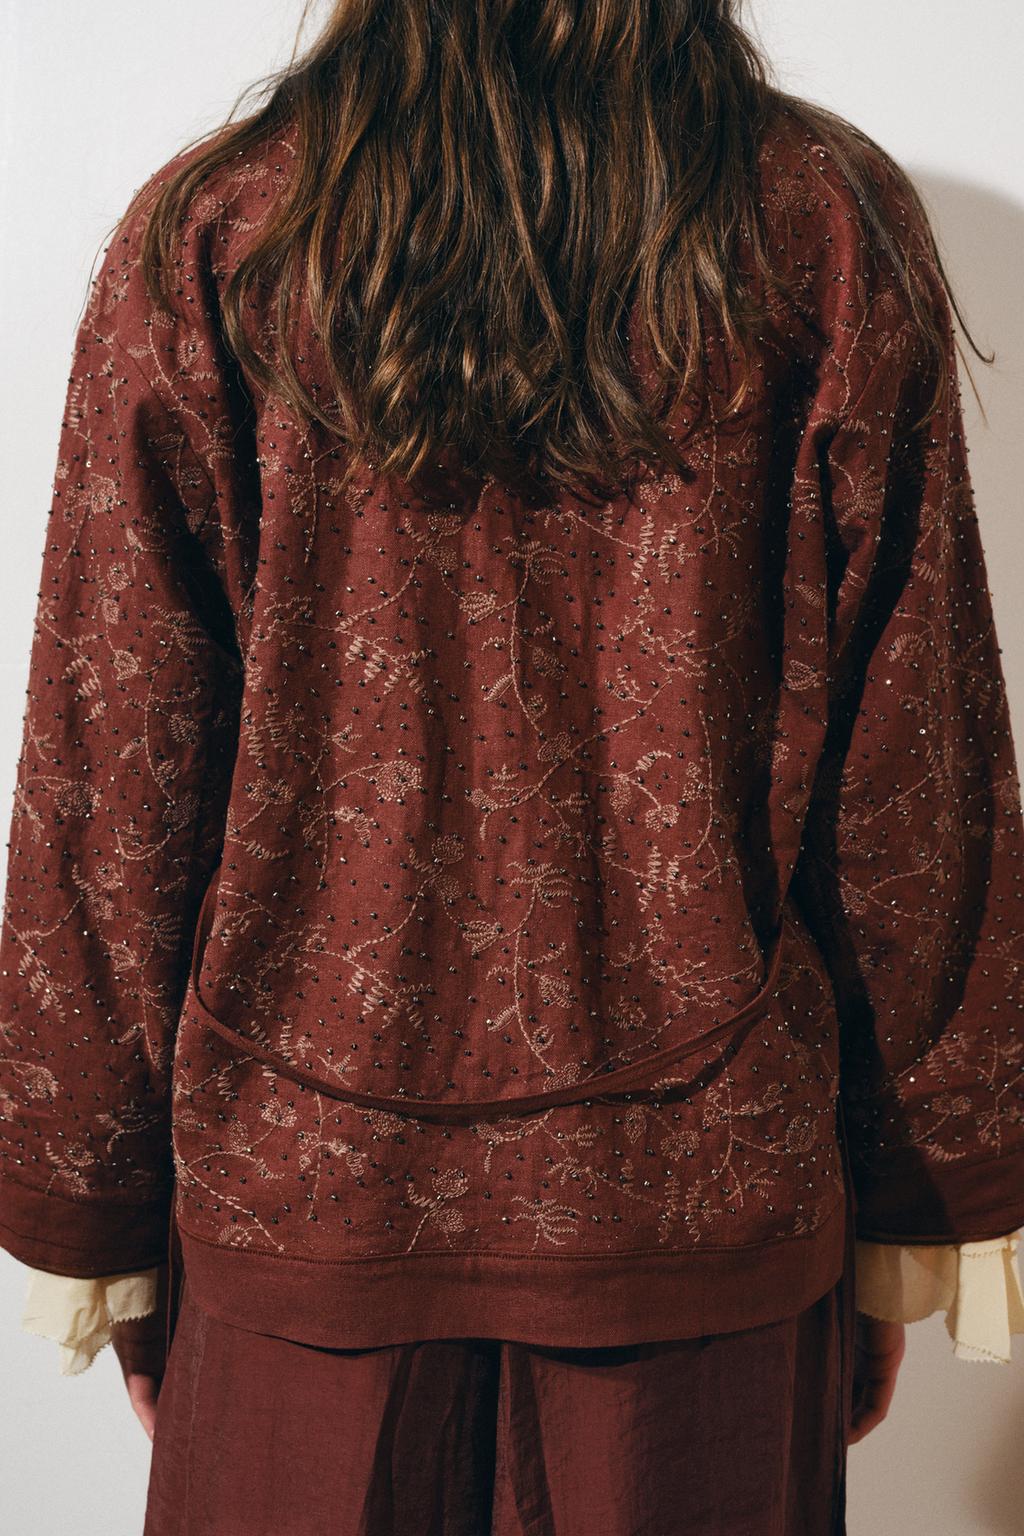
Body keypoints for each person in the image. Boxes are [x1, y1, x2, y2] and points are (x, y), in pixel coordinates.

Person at [2, 2, 1023, 1531]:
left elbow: (114, 764)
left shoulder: (222, 230)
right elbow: (915, 772)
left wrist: (93, 1201)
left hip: (315, 1198)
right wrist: (923, 1188)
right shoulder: (817, 220)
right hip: (693, 1203)